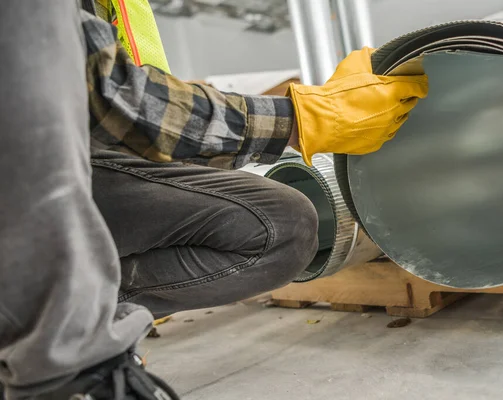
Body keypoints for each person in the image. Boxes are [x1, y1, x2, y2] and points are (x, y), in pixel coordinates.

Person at [0, 1, 428, 399]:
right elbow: (109, 95)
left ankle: (85, 311)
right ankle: (63, 370)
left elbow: (119, 106)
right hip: (24, 174)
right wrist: (297, 121)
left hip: (74, 161)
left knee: (281, 222)